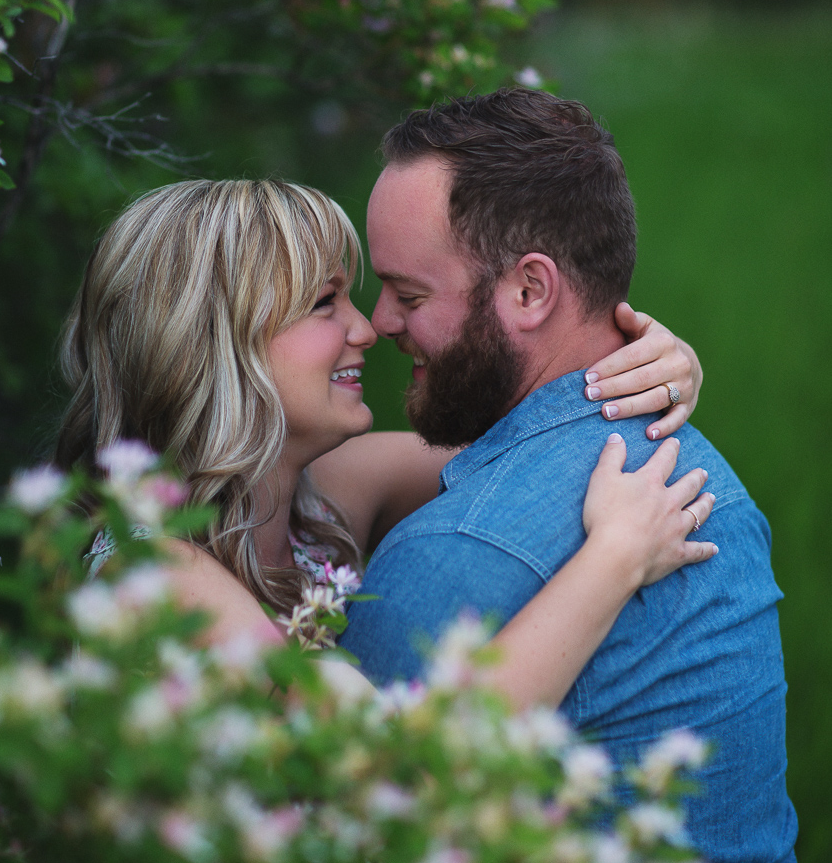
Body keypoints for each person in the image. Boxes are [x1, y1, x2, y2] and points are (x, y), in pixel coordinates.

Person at [339, 88, 800, 863]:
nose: (377, 324)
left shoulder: (451, 560)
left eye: (408, 295)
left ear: (530, 291)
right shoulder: (697, 470)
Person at [56, 177, 714, 710]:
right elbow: (405, 771)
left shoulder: (337, 488)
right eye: (324, 304)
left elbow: (547, 458)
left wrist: (648, 355)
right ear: (212, 346)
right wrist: (617, 560)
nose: (367, 330)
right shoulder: (157, 576)